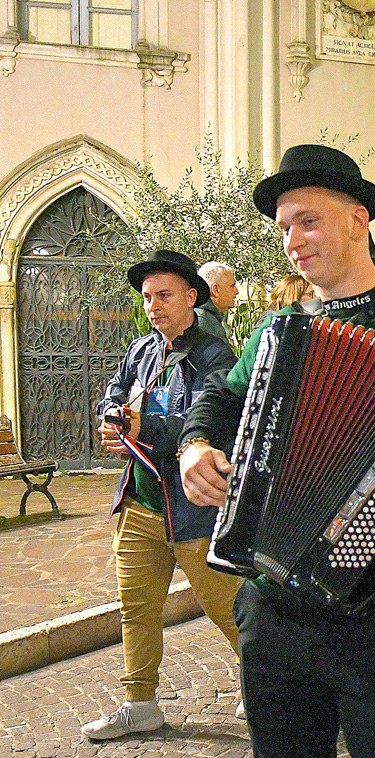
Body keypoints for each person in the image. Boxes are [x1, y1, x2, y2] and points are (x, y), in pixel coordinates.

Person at [178, 144, 375, 757]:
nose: (292, 239)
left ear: (357, 220)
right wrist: (194, 444)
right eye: (284, 226)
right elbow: (220, 395)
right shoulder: (279, 331)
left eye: (308, 221)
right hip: (272, 604)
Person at [86, 249, 243, 740]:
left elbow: (208, 421)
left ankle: (267, 684)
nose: (153, 305)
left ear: (192, 297)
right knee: (136, 607)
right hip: (139, 502)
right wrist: (114, 416)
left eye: (164, 295)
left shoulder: (214, 354)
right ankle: (140, 704)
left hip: (193, 509)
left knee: (228, 609)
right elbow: (116, 389)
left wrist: (144, 425)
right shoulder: (142, 350)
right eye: (147, 297)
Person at [195, 261, 239, 343]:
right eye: (232, 286)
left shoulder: (208, 318)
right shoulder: (202, 322)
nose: (236, 291)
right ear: (215, 290)